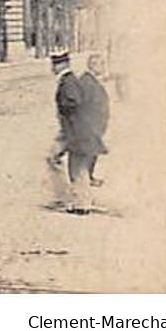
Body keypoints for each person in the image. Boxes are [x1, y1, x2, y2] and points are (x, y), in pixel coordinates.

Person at [50, 50, 103, 213]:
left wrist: (66, 115)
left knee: (76, 166)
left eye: (54, 65)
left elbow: (74, 103)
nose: (52, 69)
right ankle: (74, 198)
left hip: (75, 130)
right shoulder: (70, 80)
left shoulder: (68, 82)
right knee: (63, 161)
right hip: (75, 130)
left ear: (60, 65)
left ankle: (79, 202)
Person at [82, 55, 111, 187]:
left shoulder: (92, 80)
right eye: (101, 64)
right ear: (93, 66)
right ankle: (85, 180)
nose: (103, 67)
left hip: (95, 125)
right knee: (88, 153)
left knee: (92, 153)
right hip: (90, 125)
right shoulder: (87, 82)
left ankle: (89, 177)